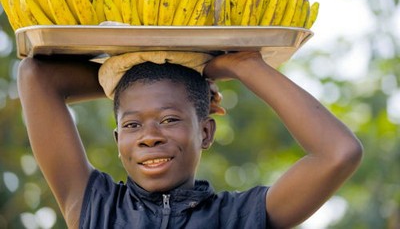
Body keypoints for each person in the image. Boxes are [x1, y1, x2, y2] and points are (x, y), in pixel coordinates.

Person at [17, 51, 363, 228]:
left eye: (169, 120)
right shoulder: (96, 207)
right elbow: (37, 75)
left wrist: (241, 66)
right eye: (133, 125)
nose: (150, 137)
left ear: (206, 132)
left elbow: (339, 153)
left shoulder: (240, 217)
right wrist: (139, 68)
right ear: (117, 138)